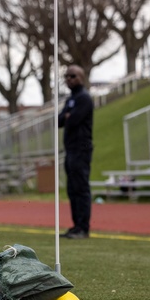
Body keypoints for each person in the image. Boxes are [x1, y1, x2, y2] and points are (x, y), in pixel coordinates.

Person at [58, 65, 94, 239]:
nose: (68, 79)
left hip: (81, 148)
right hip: (70, 149)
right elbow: (59, 120)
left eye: (72, 76)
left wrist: (68, 116)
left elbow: (73, 121)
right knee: (72, 189)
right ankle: (76, 225)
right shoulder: (70, 99)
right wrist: (66, 116)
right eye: (66, 76)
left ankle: (83, 227)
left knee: (81, 188)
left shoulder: (84, 98)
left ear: (81, 77)